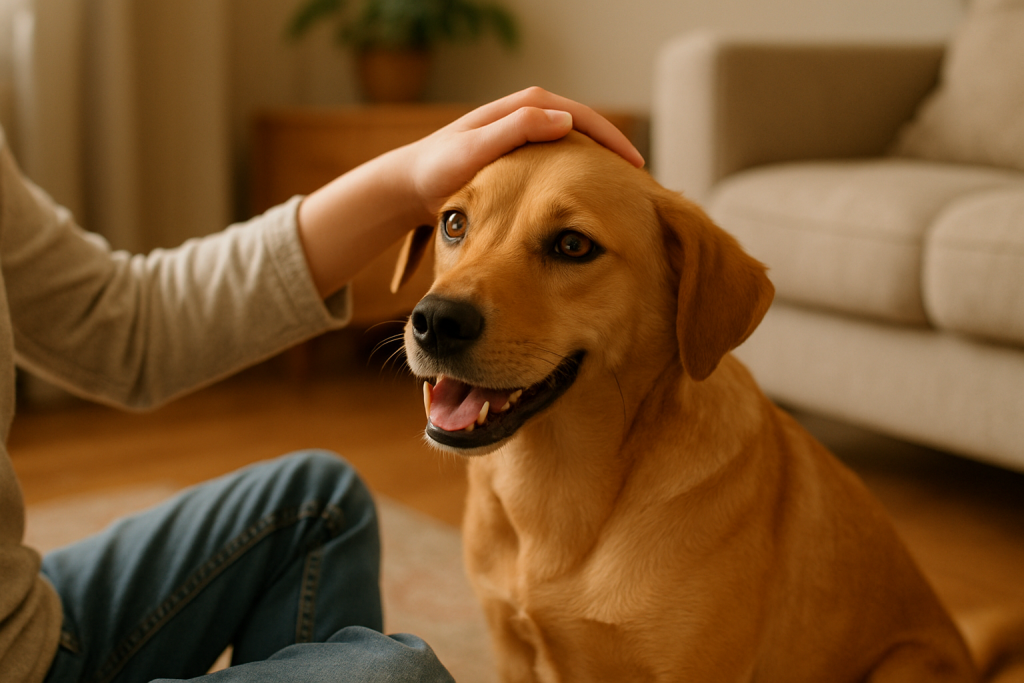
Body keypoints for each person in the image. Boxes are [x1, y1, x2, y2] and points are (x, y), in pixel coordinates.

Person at [0, 87, 644, 683]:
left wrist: (407, 179)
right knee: (395, 674)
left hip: (23, 621)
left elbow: (121, 323)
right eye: (455, 225)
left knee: (318, 502)